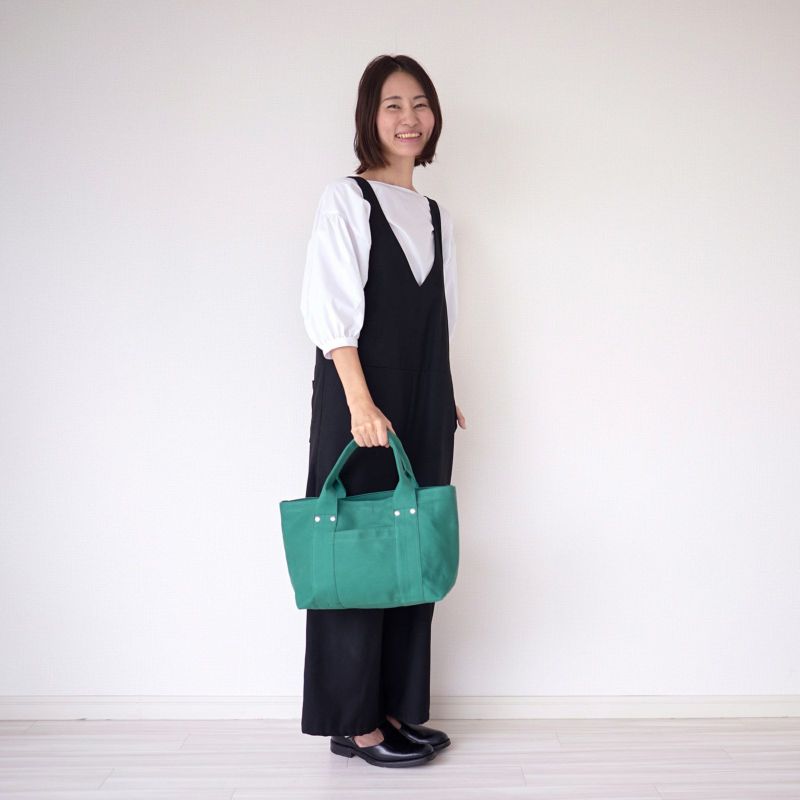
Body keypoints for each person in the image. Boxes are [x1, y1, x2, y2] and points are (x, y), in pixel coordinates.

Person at [299, 54, 466, 768]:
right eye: (393, 104)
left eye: (420, 104)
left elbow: (440, 315)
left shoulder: (436, 215)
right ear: (370, 115)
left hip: (425, 400)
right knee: (358, 554)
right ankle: (354, 723)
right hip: (361, 397)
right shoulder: (347, 199)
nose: (409, 118)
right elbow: (329, 307)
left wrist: (446, 394)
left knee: (412, 551)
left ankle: (393, 708)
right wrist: (360, 403)